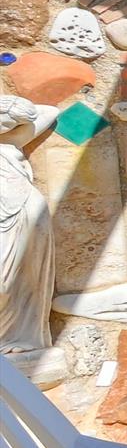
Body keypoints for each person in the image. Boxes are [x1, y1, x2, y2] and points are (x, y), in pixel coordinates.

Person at [0, 94, 56, 354]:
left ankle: (24, 337)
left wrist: (8, 107)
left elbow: (49, 111)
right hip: (8, 215)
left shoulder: (9, 141)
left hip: (25, 211)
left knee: (24, 280)